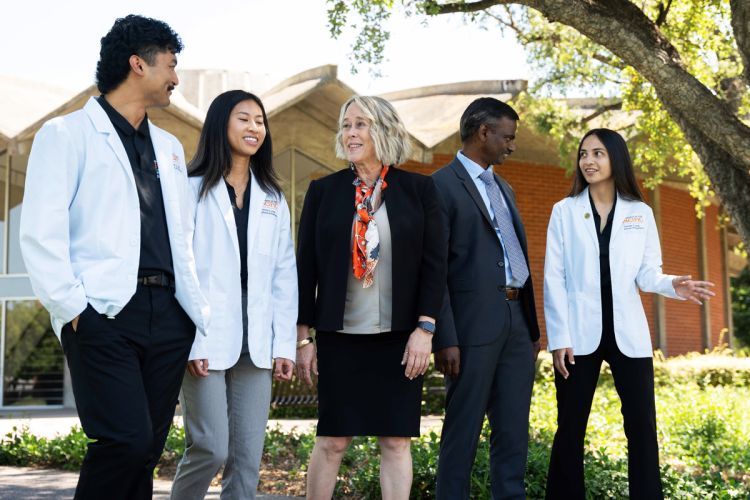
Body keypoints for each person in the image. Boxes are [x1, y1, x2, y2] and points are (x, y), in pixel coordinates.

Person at [19, 15, 209, 499]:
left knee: (145, 453)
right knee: (124, 441)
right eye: (170, 64)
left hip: (168, 316)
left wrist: (193, 315)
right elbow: (41, 233)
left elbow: (182, 238)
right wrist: (74, 310)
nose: (175, 77)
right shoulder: (66, 134)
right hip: (103, 313)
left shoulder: (168, 147)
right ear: (137, 64)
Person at [543, 128, 715, 499]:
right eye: (583, 154)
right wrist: (559, 339)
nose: (588, 160)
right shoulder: (564, 211)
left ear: (615, 159)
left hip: (629, 337)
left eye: (598, 153)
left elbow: (647, 272)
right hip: (577, 337)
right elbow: (553, 278)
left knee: (641, 427)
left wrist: (673, 285)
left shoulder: (640, 212)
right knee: (570, 427)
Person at [295, 95, 446, 500]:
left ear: (384, 131)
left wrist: (425, 329)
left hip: (400, 338)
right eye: (346, 125)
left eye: (360, 124)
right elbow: (305, 268)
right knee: (332, 440)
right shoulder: (323, 192)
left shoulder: (419, 190)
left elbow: (435, 266)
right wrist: (304, 338)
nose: (350, 133)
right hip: (339, 336)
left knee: (396, 442)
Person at [170, 90, 297, 499]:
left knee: (246, 459)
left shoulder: (273, 198)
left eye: (260, 121)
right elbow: (182, 268)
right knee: (211, 448)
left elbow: (283, 275)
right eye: (244, 119)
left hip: (256, 339)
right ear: (220, 124)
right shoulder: (189, 190)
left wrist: (284, 345)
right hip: (205, 333)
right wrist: (194, 341)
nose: (255, 128)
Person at [432, 97, 541, 500]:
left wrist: (530, 328)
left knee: (513, 430)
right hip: (470, 328)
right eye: (507, 137)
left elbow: (517, 256)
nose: (511, 145)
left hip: (516, 323)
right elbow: (435, 269)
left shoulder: (505, 188)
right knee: (462, 431)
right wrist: (445, 337)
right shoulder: (440, 186)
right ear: (483, 132)